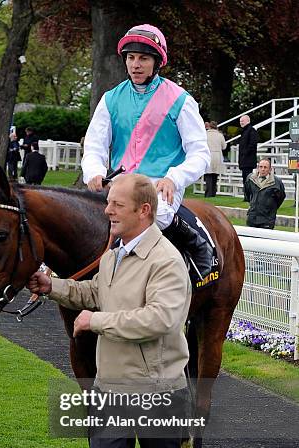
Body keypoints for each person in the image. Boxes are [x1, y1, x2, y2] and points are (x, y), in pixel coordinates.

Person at [27, 174, 192, 448]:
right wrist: (53, 288)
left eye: (116, 205)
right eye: (108, 203)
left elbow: (161, 319)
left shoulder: (168, 261)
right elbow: (95, 293)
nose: (107, 211)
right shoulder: (113, 255)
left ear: (144, 211)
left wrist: (96, 323)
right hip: (110, 389)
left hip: (158, 391)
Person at [81, 24, 212, 280]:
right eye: (131, 58)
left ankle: (195, 245)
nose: (136, 65)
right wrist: (95, 172)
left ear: (157, 62)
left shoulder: (181, 100)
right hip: (120, 184)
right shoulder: (110, 99)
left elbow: (200, 153)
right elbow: (94, 145)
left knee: (155, 213)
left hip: (161, 186)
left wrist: (175, 177)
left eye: (143, 58)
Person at [245, 158, 286, 229]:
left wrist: (270, 208)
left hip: (267, 220)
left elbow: (281, 197)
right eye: (261, 167)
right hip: (252, 218)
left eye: (265, 167)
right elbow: (247, 193)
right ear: (258, 168)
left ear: (270, 169)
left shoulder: (277, 182)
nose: (263, 169)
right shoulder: (250, 179)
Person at [204, 121, 226, 197]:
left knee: (208, 175)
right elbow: (224, 146)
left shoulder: (205, 134)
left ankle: (208, 193)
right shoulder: (220, 135)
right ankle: (213, 192)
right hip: (217, 156)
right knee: (215, 175)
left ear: (209, 126)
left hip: (208, 155)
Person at [238, 114, 258, 201]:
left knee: (248, 179)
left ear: (248, 121)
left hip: (248, 160)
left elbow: (252, 145)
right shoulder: (244, 132)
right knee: (245, 179)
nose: (241, 122)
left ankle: (249, 196)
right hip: (244, 160)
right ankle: (246, 196)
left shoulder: (251, 131)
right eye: (240, 121)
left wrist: (245, 154)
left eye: (243, 121)